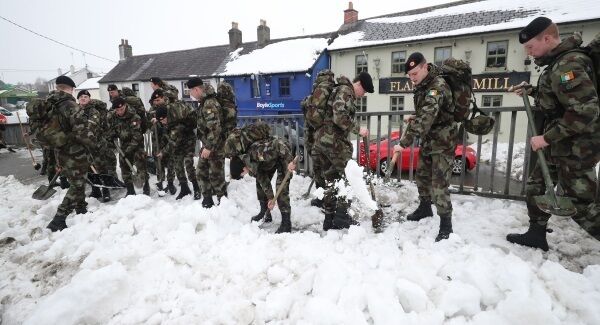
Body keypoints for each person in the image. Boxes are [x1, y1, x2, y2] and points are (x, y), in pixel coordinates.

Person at [506, 17, 600, 251]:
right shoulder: (558, 63)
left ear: (547, 39)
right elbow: (560, 97)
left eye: (530, 47)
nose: (529, 53)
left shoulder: (569, 64)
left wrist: (545, 138)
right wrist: (533, 90)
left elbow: (585, 111)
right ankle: (536, 234)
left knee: (583, 207)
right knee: (536, 187)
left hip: (576, 148)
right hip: (559, 144)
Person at [393, 52, 458, 242]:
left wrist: (403, 144)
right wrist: (416, 116)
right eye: (409, 75)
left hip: (443, 142)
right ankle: (424, 208)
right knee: (422, 176)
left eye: (414, 73)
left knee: (439, 185)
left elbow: (428, 116)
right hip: (430, 140)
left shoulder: (437, 86)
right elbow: (428, 112)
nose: (412, 78)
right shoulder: (424, 85)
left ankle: (446, 225)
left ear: (424, 66)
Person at [312, 72, 371, 230]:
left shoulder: (338, 89)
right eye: (363, 91)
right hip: (334, 142)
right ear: (358, 84)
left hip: (322, 141)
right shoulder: (346, 91)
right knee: (351, 176)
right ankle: (342, 217)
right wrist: (359, 129)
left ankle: (329, 218)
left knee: (331, 180)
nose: (362, 95)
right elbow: (339, 117)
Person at [45, 76, 96, 232]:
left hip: (59, 150)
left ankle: (81, 208)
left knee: (77, 179)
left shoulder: (49, 104)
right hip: (74, 151)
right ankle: (59, 218)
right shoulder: (70, 105)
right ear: (71, 88)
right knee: (77, 183)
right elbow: (81, 131)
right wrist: (91, 140)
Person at [226, 124, 297, 233]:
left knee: (281, 189)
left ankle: (286, 224)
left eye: (243, 174)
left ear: (243, 168)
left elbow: (279, 145)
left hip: (283, 154)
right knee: (260, 184)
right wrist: (270, 198)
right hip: (270, 159)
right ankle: (265, 212)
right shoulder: (251, 165)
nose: (245, 175)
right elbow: (263, 180)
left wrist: (290, 161)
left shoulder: (257, 152)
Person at [151, 89, 201, 200]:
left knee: (188, 164)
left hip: (188, 140)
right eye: (161, 121)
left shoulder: (176, 120)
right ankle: (184, 189)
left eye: (164, 120)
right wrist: (158, 121)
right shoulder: (166, 116)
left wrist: (162, 152)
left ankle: (196, 188)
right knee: (178, 165)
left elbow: (173, 142)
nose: (163, 123)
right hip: (178, 141)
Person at [190, 78, 227, 208]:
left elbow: (215, 127)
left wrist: (209, 147)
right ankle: (207, 199)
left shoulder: (209, 103)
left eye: (191, 91)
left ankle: (224, 204)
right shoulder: (204, 102)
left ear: (196, 89)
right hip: (208, 145)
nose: (191, 95)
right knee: (201, 171)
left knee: (216, 176)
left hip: (215, 146)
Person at [107, 97, 150, 196]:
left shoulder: (135, 117)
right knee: (124, 166)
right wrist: (111, 136)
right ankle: (130, 190)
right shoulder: (113, 117)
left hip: (137, 144)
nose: (120, 112)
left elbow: (137, 136)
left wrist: (129, 150)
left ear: (125, 106)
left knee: (141, 165)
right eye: (117, 110)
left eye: (121, 109)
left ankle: (146, 187)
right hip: (123, 145)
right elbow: (111, 130)